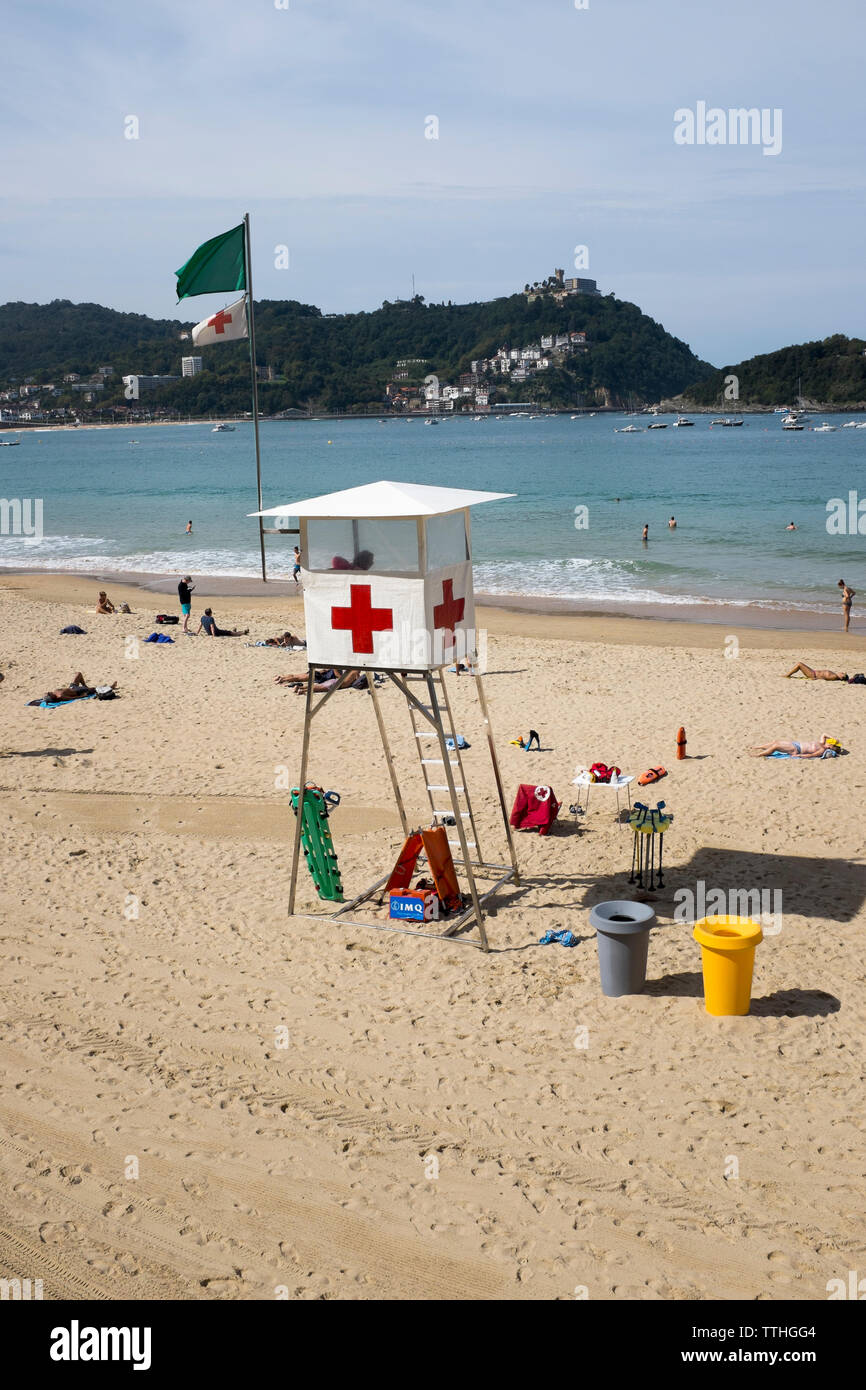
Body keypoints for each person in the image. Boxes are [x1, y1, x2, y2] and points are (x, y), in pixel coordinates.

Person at [30, 673, 118, 705]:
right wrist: (82, 696)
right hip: (77, 691)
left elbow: (45, 698)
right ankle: (111, 687)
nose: (48, 692)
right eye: (48, 693)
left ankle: (85, 685)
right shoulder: (61, 696)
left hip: (72, 687)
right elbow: (73, 698)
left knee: (78, 674)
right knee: (94, 689)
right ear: (52, 696)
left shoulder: (55, 693)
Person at [749, 734, 839, 758]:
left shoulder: (822, 750)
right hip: (796, 744)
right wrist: (834, 739)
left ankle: (759, 755)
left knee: (776, 746)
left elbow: (811, 755)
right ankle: (758, 747)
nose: (828, 744)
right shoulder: (821, 742)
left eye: (830, 745)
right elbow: (824, 734)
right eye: (830, 743)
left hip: (796, 749)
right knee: (775, 742)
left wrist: (799, 756)